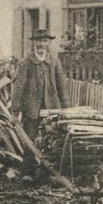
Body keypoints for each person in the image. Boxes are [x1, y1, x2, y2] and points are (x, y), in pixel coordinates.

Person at [11, 28, 69, 183]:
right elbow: (18, 88)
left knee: (51, 141)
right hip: (32, 110)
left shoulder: (54, 61)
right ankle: (28, 173)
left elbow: (61, 86)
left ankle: (46, 174)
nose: (42, 44)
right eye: (39, 41)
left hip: (52, 109)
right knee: (30, 140)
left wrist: (66, 108)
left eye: (45, 41)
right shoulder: (26, 63)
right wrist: (15, 111)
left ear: (49, 43)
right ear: (34, 43)